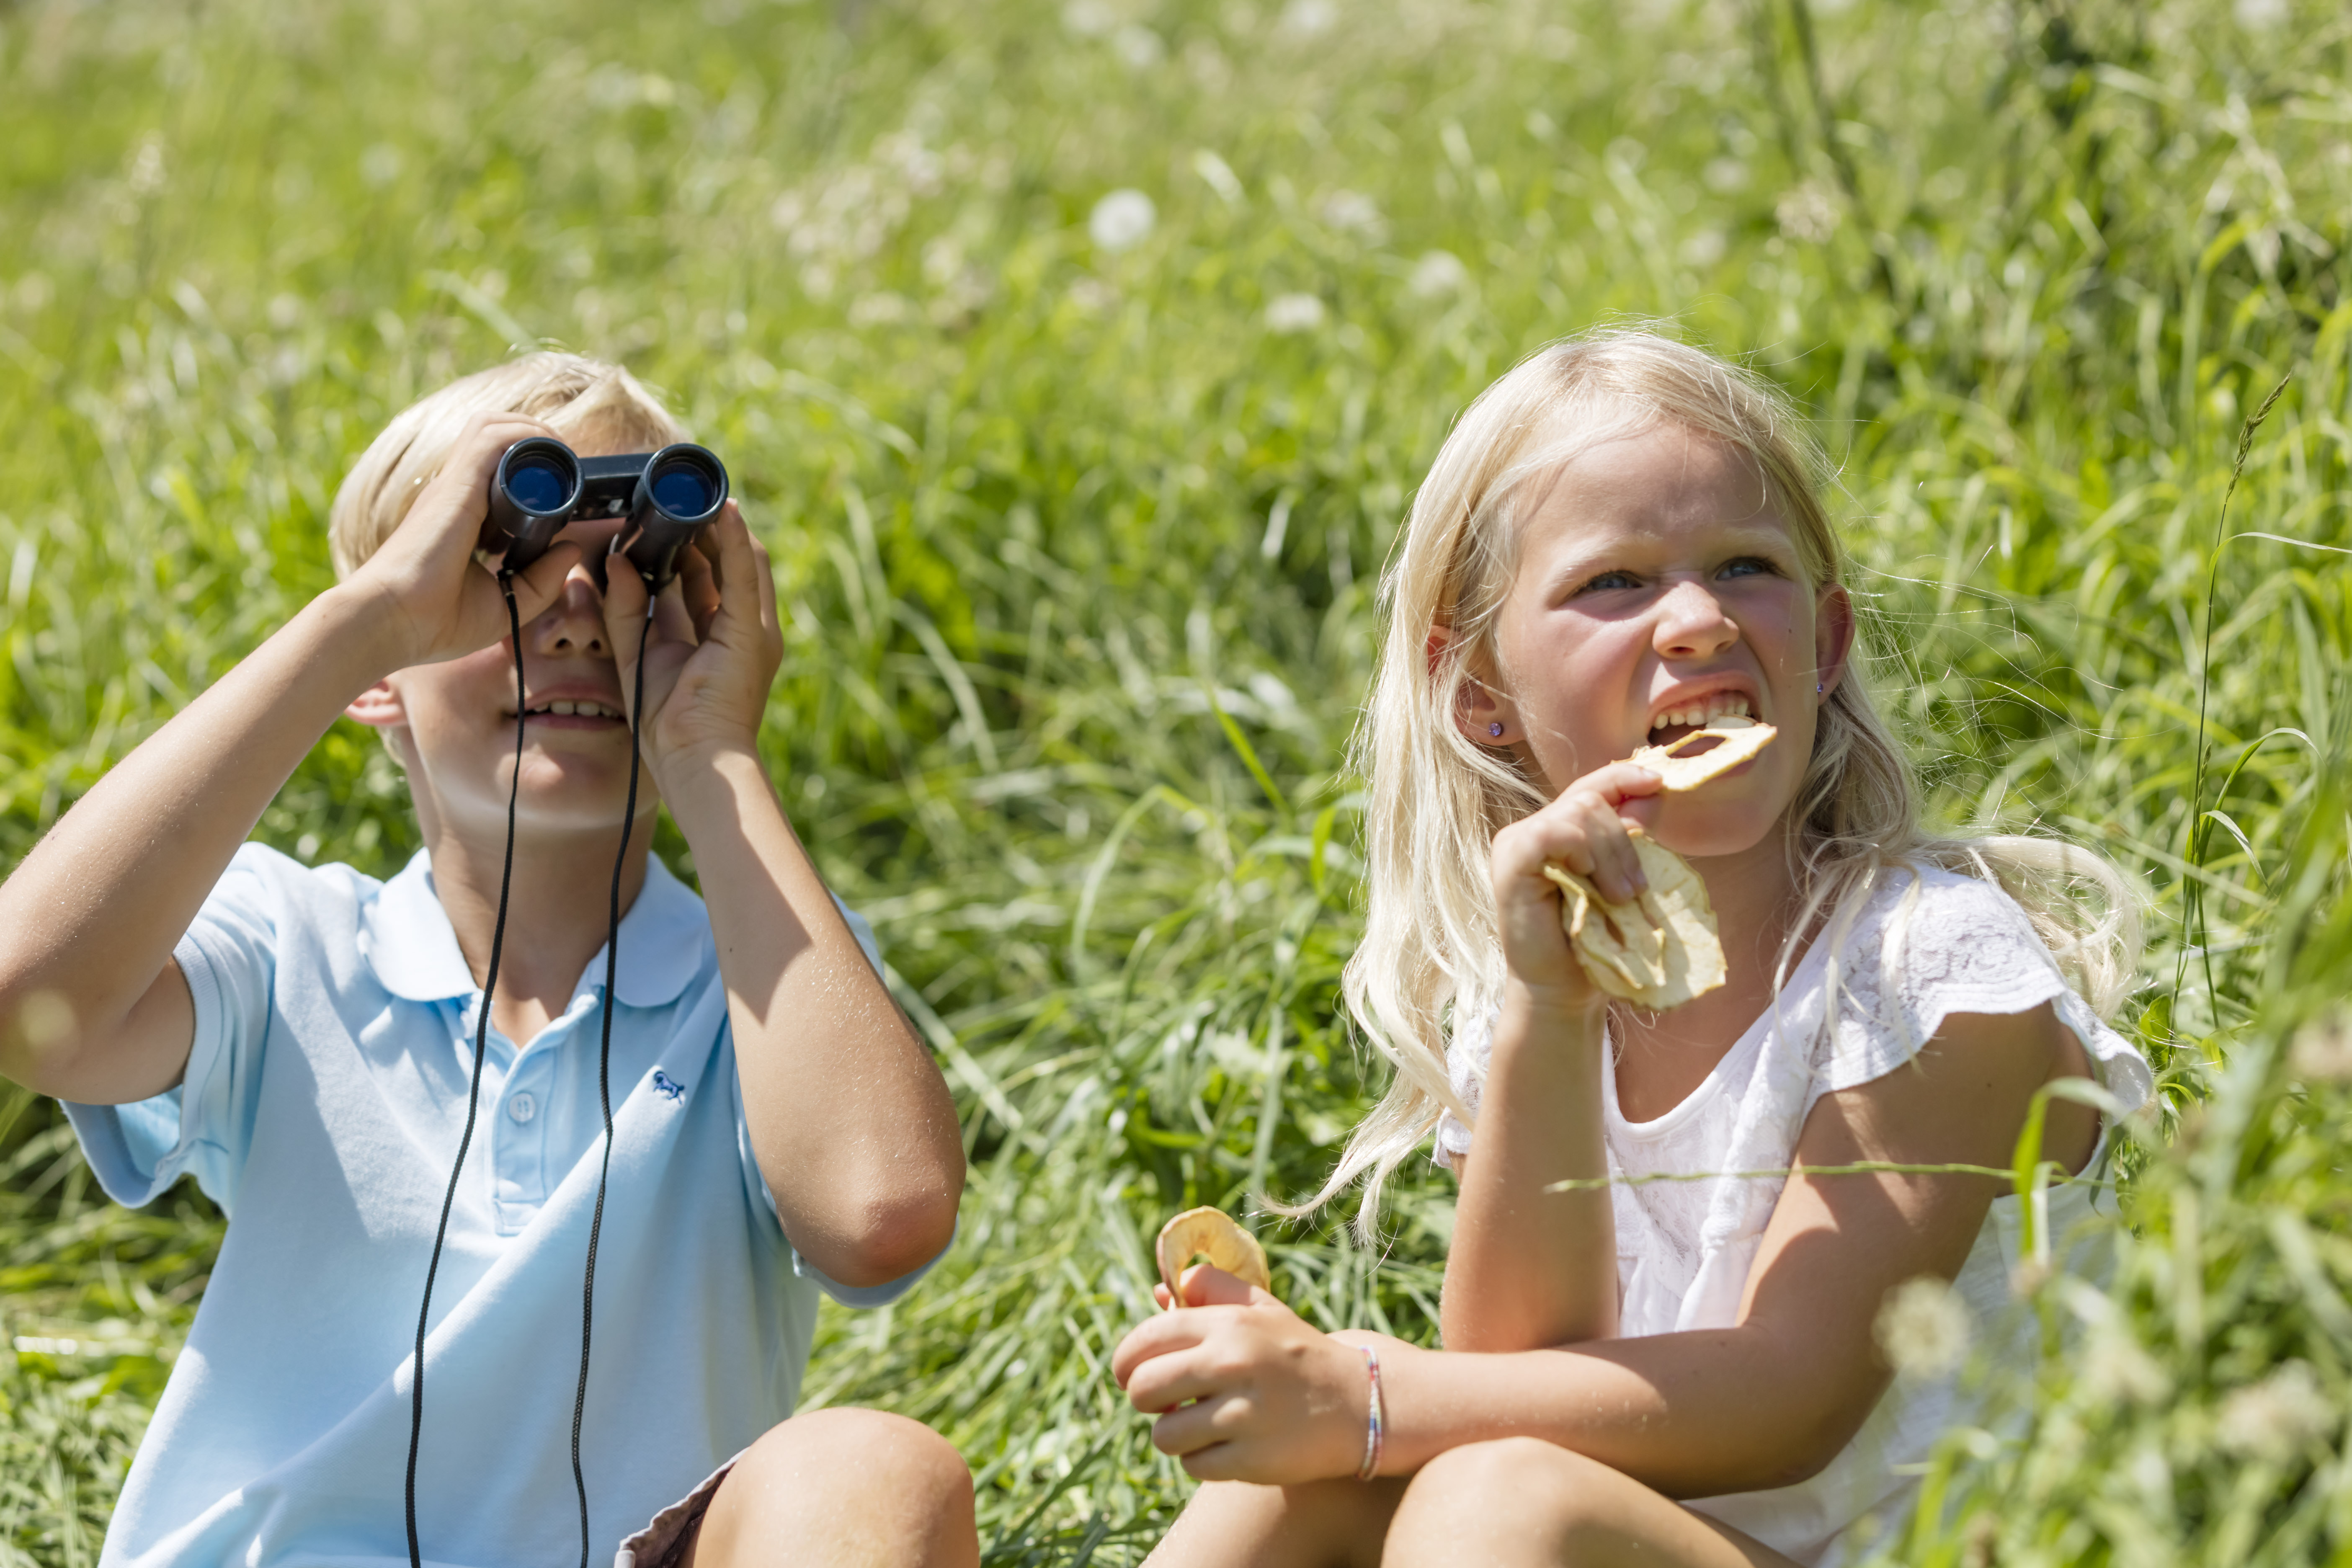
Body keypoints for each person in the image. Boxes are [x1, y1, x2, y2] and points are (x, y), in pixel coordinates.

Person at [1110, 329, 2151, 1567]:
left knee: (1493, 1505)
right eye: (1616, 583)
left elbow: (1789, 1400)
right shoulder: (1533, 988)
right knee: (1291, 1501)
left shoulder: (1928, 966)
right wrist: (1549, 1016)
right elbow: (1521, 1376)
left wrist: (1365, 1396)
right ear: (1481, 692)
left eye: (1745, 566)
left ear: (1823, 648)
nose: (1700, 619)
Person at [0, 353, 979, 1568]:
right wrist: (371, 621)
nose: (576, 610)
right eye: (502, 554)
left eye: (635, 564)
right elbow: (26, 999)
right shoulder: (288, 948)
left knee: (877, 1472)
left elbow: (882, 1215)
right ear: (379, 682)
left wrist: (714, 753)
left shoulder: (772, 974)